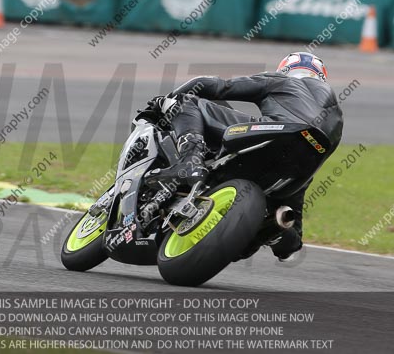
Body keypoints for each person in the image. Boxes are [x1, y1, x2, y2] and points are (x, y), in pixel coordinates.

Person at [144, 51, 344, 260]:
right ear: (322, 76)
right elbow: (290, 250)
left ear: (286, 69)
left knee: (188, 102)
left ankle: (190, 161)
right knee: (287, 233)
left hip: (277, 133)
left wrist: (170, 100)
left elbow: (217, 86)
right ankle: (273, 227)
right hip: (301, 168)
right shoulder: (337, 115)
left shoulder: (281, 79)